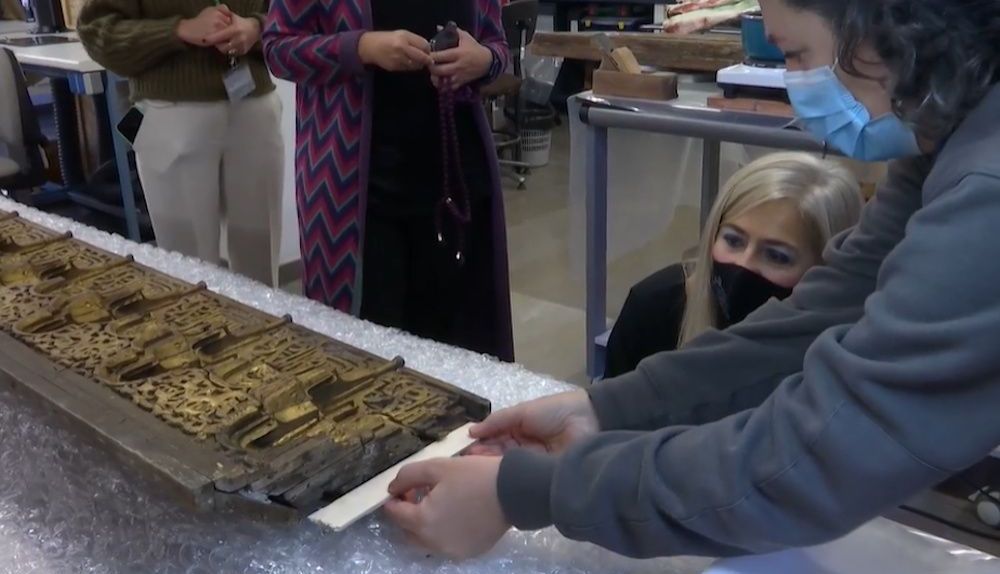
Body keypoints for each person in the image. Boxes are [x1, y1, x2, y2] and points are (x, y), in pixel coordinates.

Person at [382, 0, 1000, 560]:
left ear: (887, 27)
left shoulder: (984, 191)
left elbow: (818, 458)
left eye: (794, 54)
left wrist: (525, 492)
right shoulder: (944, 133)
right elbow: (820, 314)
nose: (795, 84)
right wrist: (608, 409)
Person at [262, 0, 514, 361]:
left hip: (456, 187)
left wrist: (483, 60)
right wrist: (362, 48)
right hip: (355, 198)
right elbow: (278, 49)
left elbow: (497, 45)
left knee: (455, 357)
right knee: (365, 362)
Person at [77, 1, 284, 287]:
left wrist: (257, 27)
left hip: (254, 107)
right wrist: (177, 30)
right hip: (171, 114)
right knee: (188, 268)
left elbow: (299, 16)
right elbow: (96, 31)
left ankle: (263, 318)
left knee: (261, 255)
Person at [604, 153, 863, 378]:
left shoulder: (854, 351)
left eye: (776, 256)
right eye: (733, 240)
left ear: (825, 268)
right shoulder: (654, 307)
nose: (743, 264)